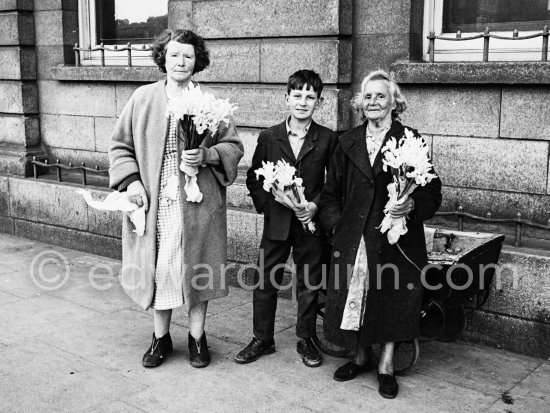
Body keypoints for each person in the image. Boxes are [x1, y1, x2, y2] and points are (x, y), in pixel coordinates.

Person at [108, 29, 244, 369]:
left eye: (188, 55)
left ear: (197, 60)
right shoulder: (143, 98)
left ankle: (197, 337)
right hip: (158, 202)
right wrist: (131, 182)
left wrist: (208, 155)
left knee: (198, 269)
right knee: (161, 268)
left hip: (198, 204)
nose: (181, 61)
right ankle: (161, 337)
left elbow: (234, 147)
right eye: (174, 55)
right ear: (163, 59)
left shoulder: (209, 103)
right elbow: (120, 146)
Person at [319, 70, 442, 398]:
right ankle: (360, 357)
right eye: (368, 96)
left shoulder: (410, 140)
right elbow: (329, 193)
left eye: (381, 96)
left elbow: (432, 192)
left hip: (395, 241)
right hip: (355, 238)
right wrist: (336, 225)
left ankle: (386, 365)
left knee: (391, 300)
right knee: (353, 298)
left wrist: (411, 204)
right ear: (361, 103)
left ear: (394, 102)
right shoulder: (347, 142)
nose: (373, 102)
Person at [235, 70, 338, 367]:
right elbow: (255, 178)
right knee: (266, 281)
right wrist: (270, 207)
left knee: (308, 284)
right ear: (286, 98)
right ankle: (262, 339)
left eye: (310, 97)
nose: (303, 102)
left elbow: (333, 185)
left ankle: (305, 338)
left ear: (318, 102)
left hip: (310, 226)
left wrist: (315, 207)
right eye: (297, 95)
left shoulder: (328, 139)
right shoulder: (269, 137)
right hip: (277, 224)